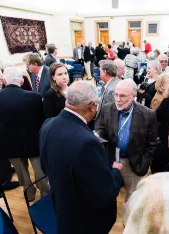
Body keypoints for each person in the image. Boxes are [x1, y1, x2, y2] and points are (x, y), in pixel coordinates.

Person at [40, 81, 123, 234]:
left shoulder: (47, 125)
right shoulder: (87, 143)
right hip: (85, 219)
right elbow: (103, 194)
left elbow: (45, 166)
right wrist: (116, 172)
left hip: (61, 205)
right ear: (92, 105)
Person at [0, 67, 50, 201]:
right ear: (21, 82)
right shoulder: (35, 97)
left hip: (9, 142)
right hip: (33, 140)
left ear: (4, 81)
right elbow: (42, 120)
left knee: (21, 172)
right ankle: (45, 194)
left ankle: (29, 193)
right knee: (40, 170)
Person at [95, 79, 157, 202]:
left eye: (122, 96)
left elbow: (152, 143)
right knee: (108, 194)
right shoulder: (107, 108)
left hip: (133, 162)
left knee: (132, 198)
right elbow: (100, 127)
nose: (117, 99)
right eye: (116, 95)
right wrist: (98, 136)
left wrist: (144, 163)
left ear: (134, 96)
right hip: (110, 160)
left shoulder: (147, 115)